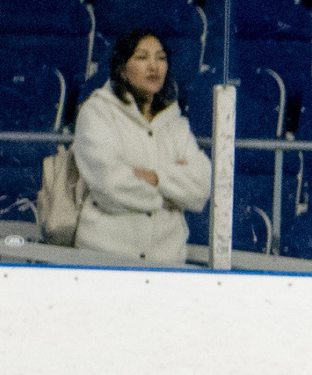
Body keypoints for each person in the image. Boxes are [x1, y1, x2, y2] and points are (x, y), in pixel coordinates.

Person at [70, 31, 210, 263]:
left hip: (167, 262)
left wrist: (155, 179)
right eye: (142, 57)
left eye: (161, 58)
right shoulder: (97, 113)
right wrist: (170, 196)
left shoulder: (176, 123)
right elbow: (110, 185)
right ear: (122, 69)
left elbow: (201, 185)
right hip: (105, 258)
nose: (153, 66)